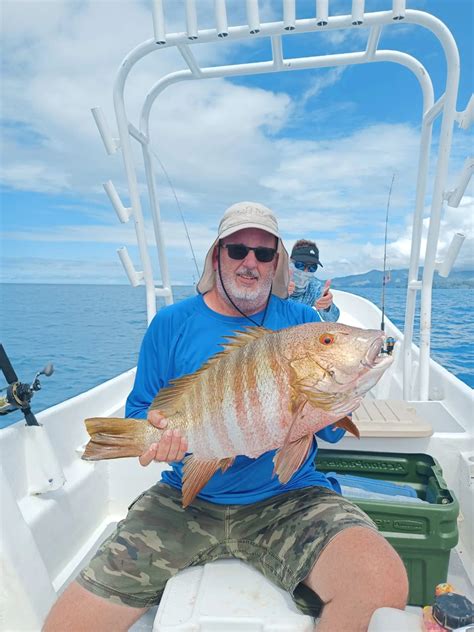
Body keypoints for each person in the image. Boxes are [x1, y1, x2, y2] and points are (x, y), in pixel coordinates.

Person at [44, 202, 407, 632]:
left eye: (264, 253)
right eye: (237, 250)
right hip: (185, 502)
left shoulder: (303, 321)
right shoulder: (170, 324)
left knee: (381, 582)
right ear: (216, 256)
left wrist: (341, 395)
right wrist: (159, 435)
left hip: (288, 498)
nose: (250, 262)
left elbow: (326, 435)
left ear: (277, 264)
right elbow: (142, 411)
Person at [288, 239, 340, 322]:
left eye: (312, 267)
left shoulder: (314, 287)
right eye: (300, 265)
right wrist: (278, 295)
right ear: (289, 262)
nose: (305, 271)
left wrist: (327, 306)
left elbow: (333, 319)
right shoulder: (273, 281)